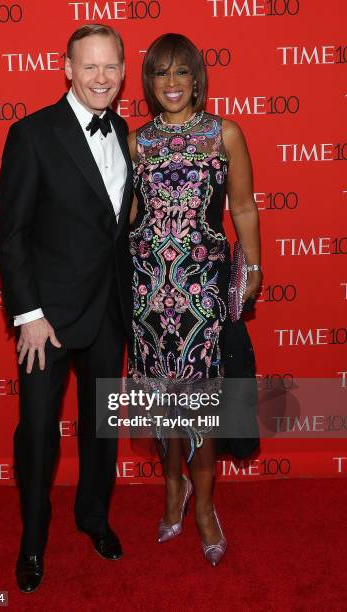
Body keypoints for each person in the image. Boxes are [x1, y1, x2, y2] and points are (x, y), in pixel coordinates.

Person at [0, 24, 133, 593]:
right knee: (37, 433)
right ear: (68, 69)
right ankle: (32, 540)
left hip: (108, 309)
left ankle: (93, 517)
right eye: (90, 67)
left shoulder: (126, 130)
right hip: (46, 319)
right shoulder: (32, 134)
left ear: (124, 73)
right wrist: (28, 315)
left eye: (111, 67)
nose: (101, 78)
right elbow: (11, 234)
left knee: (101, 427)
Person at [127, 33, 261, 566]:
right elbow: (127, 220)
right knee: (163, 404)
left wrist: (251, 264)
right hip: (147, 291)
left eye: (183, 72)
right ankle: (172, 489)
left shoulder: (224, 133)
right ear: (149, 83)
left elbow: (244, 207)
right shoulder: (137, 143)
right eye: (162, 73)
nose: (173, 83)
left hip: (203, 289)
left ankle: (204, 507)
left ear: (198, 79)